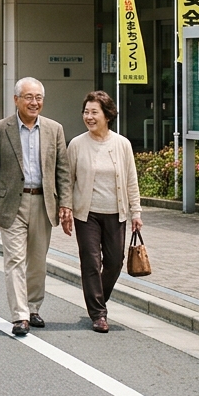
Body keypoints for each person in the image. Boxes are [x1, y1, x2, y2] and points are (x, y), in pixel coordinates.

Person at [0, 77, 71, 338]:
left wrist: (66, 204)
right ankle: (20, 315)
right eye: (28, 97)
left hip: (44, 201)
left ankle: (33, 307)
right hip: (11, 204)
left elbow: (62, 170)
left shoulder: (54, 129)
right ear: (16, 99)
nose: (34, 102)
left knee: (37, 260)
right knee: (15, 260)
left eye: (38, 98)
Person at [63, 91, 142, 334]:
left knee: (114, 263)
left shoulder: (122, 144)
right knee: (90, 261)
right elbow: (67, 180)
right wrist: (65, 208)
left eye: (94, 112)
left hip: (115, 213)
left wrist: (136, 212)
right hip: (87, 214)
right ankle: (98, 313)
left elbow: (131, 180)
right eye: (86, 112)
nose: (89, 116)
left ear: (107, 115)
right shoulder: (77, 144)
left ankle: (98, 300)